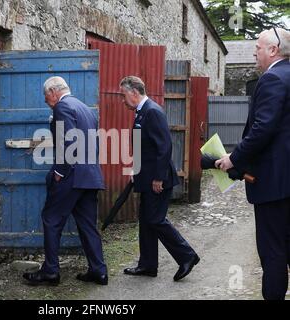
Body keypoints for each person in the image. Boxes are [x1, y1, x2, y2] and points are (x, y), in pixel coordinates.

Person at [216, 28, 290, 300]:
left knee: (273, 253)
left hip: (274, 185)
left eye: (257, 48)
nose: (254, 52)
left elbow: (262, 129)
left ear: (273, 50)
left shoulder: (272, 78)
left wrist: (233, 158)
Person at [23, 76, 108, 286]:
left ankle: (51, 271)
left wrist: (60, 170)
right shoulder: (84, 107)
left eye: (46, 96)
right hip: (89, 176)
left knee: (51, 219)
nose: (45, 101)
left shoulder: (62, 107)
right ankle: (99, 271)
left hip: (71, 175)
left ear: (53, 91)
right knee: (88, 225)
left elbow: (68, 140)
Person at [119, 76, 200, 281]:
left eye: (123, 95)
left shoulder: (152, 112)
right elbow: (142, 148)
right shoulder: (141, 113)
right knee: (146, 221)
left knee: (155, 219)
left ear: (134, 93)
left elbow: (164, 148)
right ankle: (147, 265)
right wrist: (135, 171)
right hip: (145, 177)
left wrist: (157, 178)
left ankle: (187, 256)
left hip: (158, 179)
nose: (122, 100)